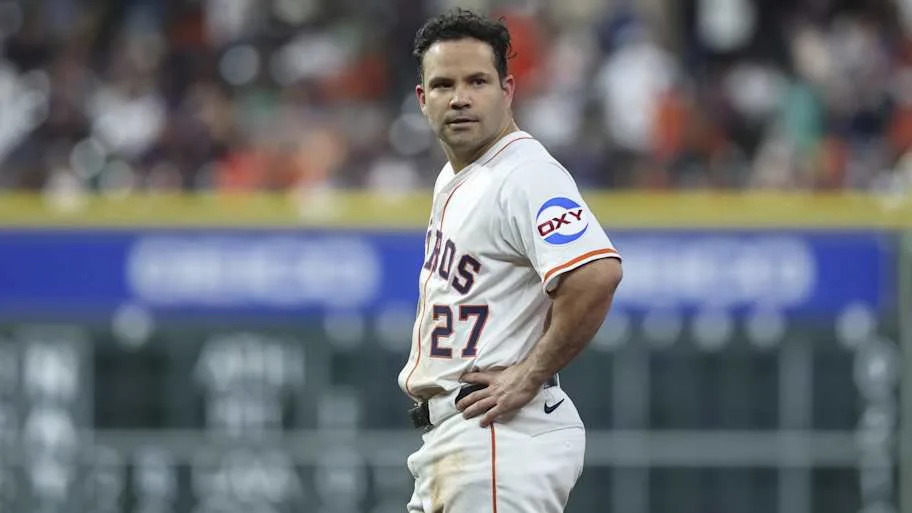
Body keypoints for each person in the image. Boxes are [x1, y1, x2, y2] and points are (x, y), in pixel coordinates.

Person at [397, 8, 623, 513]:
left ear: (508, 90)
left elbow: (596, 273)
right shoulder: (460, 175)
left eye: (478, 81)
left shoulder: (525, 174)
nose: (459, 97)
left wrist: (530, 371)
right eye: (443, 85)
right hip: (462, 443)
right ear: (422, 99)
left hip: (499, 439)